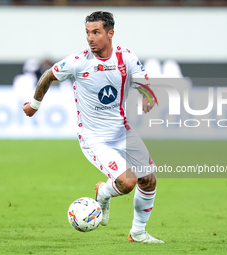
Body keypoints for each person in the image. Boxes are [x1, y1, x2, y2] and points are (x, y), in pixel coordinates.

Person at [22, 11, 163, 243]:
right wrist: (35, 105)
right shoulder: (78, 62)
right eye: (87, 32)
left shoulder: (125, 57)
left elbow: (143, 82)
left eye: (96, 32)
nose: (90, 38)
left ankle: (138, 233)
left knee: (148, 179)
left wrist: (148, 96)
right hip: (94, 138)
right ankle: (104, 192)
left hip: (122, 131)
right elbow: (48, 75)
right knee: (128, 182)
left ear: (110, 34)